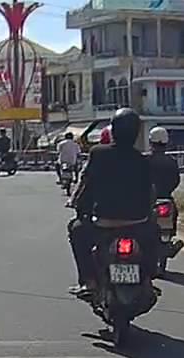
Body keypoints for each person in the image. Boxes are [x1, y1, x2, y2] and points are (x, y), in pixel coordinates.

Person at [67, 107, 159, 299]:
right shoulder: (143, 160)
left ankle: (89, 281)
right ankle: (148, 278)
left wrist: (79, 206)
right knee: (154, 234)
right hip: (137, 223)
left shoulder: (99, 153)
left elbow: (87, 185)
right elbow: (150, 193)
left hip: (104, 223)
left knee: (76, 230)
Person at [147, 126, 180, 199]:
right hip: (166, 197)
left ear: (150, 142)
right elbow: (176, 181)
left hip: (148, 199)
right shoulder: (172, 161)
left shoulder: (145, 161)